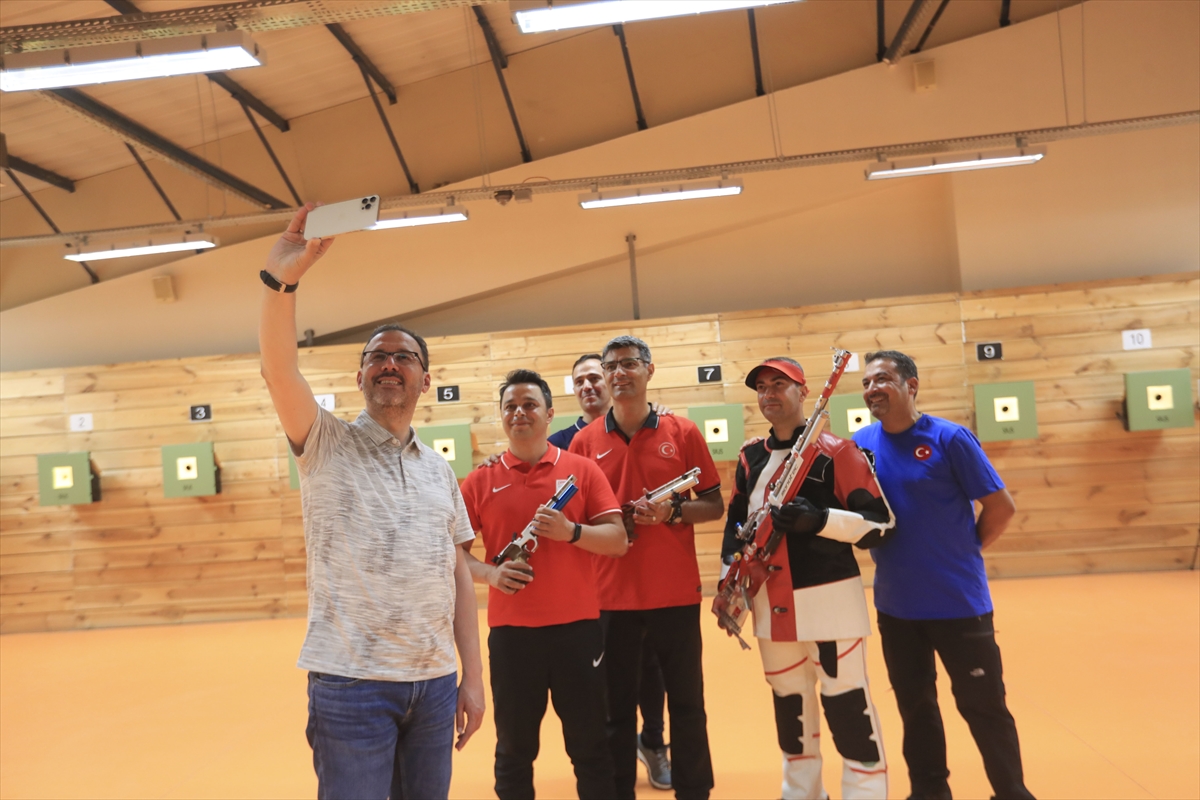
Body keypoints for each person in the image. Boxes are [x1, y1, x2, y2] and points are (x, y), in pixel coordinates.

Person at [258, 204, 485, 800]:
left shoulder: (440, 471)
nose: (389, 364)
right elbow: (278, 370)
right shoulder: (324, 442)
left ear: (425, 381)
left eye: (404, 357)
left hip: (434, 685)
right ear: (359, 378)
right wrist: (281, 281)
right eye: (377, 357)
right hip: (351, 684)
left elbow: (458, 573)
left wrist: (472, 677)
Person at [853, 350, 1035, 800]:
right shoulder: (860, 445)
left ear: (911, 385)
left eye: (883, 379)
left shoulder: (950, 438)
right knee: (915, 708)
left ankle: (1012, 793)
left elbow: (1000, 507)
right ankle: (929, 792)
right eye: (867, 383)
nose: (872, 389)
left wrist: (963, 552)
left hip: (958, 604)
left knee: (984, 706)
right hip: (896, 608)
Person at [716, 357, 894, 800]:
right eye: (761, 387)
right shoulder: (750, 457)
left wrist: (820, 520)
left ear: (803, 391)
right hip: (769, 607)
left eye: (780, 384)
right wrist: (726, 585)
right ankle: (801, 792)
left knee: (848, 708)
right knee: (790, 714)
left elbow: (882, 525)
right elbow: (735, 526)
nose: (769, 393)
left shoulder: (838, 452)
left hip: (829, 606)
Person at [569, 335, 724, 800]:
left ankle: (694, 791)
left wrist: (672, 512)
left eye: (629, 363)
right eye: (611, 365)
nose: (619, 372)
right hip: (609, 596)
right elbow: (576, 517)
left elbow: (714, 504)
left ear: (649, 370)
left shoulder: (683, 432)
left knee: (688, 705)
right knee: (614, 711)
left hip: (674, 594)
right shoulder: (583, 442)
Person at [460, 369, 627, 800]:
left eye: (530, 404)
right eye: (511, 406)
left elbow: (618, 540)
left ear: (550, 414)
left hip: (579, 632)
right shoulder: (480, 480)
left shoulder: (582, 471)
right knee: (514, 751)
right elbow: (452, 554)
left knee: (591, 748)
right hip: (512, 638)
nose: (520, 413)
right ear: (501, 416)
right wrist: (490, 574)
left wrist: (571, 532)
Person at [548, 352, 674, 789]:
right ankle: (610, 756)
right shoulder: (562, 442)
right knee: (603, 675)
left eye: (593, 377)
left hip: (646, 574)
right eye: (579, 380)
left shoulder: (651, 426)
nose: (588, 386)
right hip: (593, 579)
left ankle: (653, 742)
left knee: (652, 667)